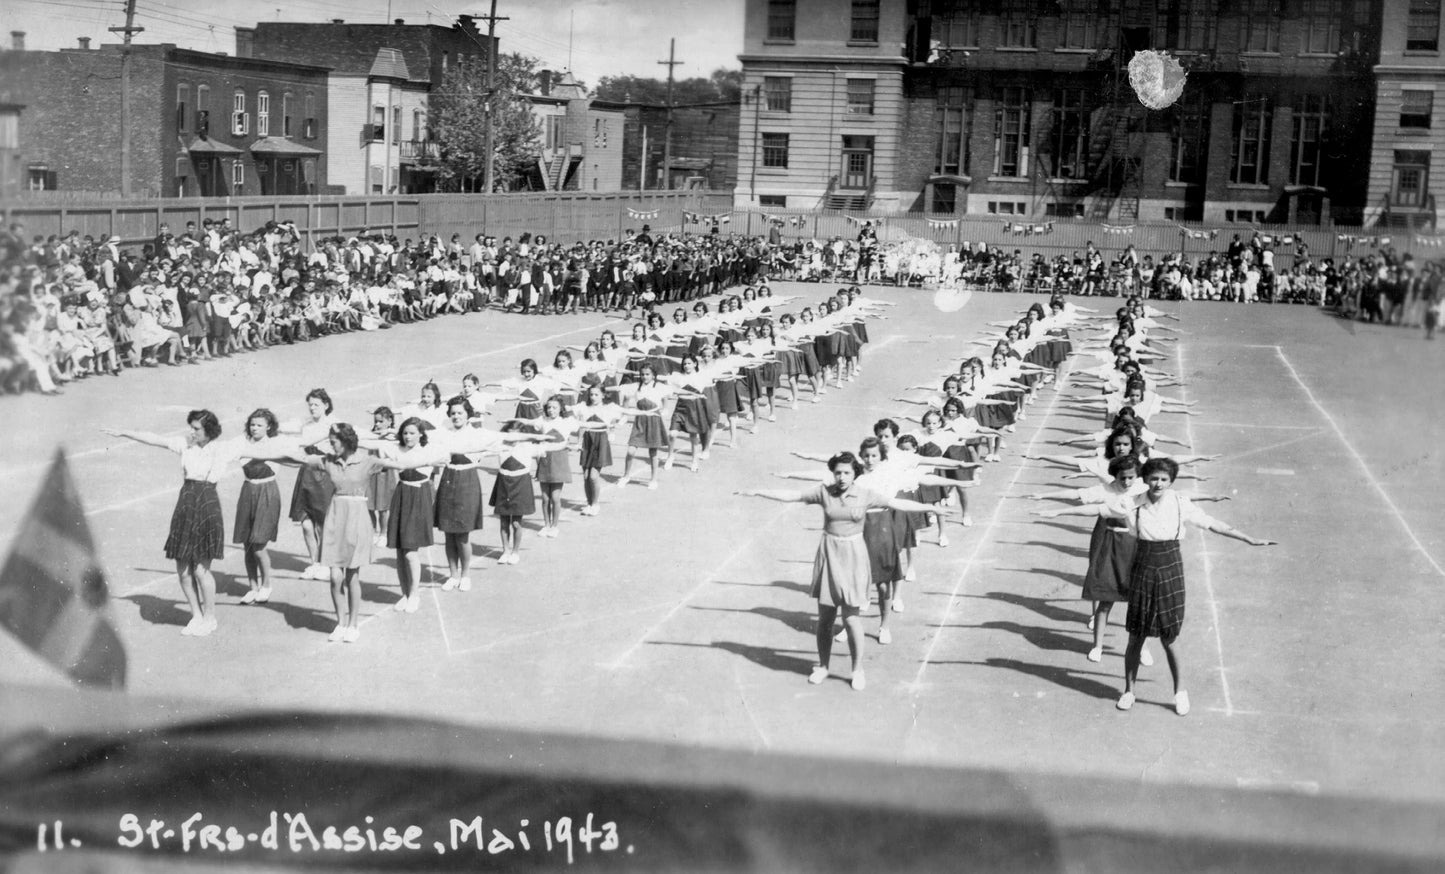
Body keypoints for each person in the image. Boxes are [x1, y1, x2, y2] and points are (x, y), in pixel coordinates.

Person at [737, 452, 955, 691]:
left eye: (847, 472)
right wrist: (758, 491)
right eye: (838, 472)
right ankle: (822, 666)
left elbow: (897, 503)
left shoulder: (865, 495)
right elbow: (793, 495)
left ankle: (857, 669)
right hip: (829, 555)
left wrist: (930, 508)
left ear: (855, 475)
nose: (841, 477)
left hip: (853, 557)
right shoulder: (824, 492)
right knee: (825, 619)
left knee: (851, 619)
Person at [1097, 457, 1274, 715]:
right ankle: (1129, 691)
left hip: (1170, 568)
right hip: (1143, 568)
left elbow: (1212, 523)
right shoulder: (1131, 503)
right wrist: (1059, 509)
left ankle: (1180, 692)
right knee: (1136, 636)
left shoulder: (1180, 504)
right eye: (1154, 478)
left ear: (1171, 482)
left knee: (1169, 637)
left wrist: (1249, 539)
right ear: (1145, 479)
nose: (1158, 483)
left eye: (1164, 479)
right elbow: (1096, 508)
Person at [102, 410, 276, 636]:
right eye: (191, 427)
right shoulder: (184, 444)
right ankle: (196, 615)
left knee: (201, 570)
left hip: (207, 505)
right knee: (183, 570)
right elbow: (155, 439)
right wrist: (125, 432)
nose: (191, 432)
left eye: (196, 429)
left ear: (209, 431)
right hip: (185, 503)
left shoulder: (221, 449)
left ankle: (210, 617)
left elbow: (267, 448)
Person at [233, 408, 285, 605]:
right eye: (252, 424)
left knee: (259, 546)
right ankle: (252, 587)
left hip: (267, 493)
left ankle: (266, 585)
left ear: (268, 427)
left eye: (259, 425)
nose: (254, 428)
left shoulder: (273, 445)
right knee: (247, 545)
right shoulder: (242, 442)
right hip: (248, 492)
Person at [286, 388, 337, 581]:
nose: (312, 408)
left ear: (326, 405)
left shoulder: (334, 424)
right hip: (306, 474)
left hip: (324, 474)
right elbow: (284, 427)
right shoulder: (305, 424)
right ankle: (314, 562)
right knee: (306, 524)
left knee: (323, 522)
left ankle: (325, 563)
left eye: (316, 404)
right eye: (310, 405)